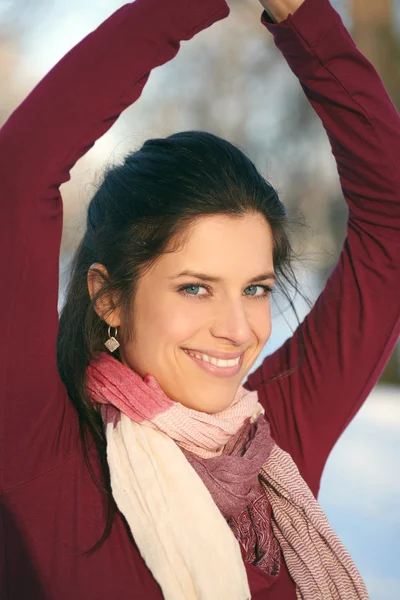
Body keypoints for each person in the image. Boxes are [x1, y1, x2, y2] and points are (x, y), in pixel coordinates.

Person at [0, 0, 399, 597]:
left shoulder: (274, 442)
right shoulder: (41, 451)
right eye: (195, 287)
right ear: (108, 298)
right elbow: (17, 178)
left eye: (255, 289)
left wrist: (306, 20)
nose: (238, 330)